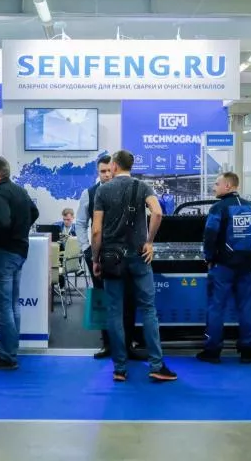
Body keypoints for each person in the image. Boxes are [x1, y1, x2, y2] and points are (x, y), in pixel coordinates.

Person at [92, 150, 177, 382]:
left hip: (112, 259)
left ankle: (120, 368)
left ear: (115, 166)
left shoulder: (103, 190)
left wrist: (95, 259)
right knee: (148, 309)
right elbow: (157, 212)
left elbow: (97, 230)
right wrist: (149, 242)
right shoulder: (142, 187)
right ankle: (157, 365)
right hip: (139, 256)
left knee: (114, 311)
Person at [75, 154, 142, 360]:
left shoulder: (126, 191)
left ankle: (128, 344)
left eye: (108, 170)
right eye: (102, 171)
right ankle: (107, 344)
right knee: (103, 299)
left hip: (126, 255)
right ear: (98, 172)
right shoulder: (90, 193)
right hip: (98, 256)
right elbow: (81, 223)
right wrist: (87, 249)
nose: (106, 175)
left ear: (114, 169)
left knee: (128, 299)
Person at [197, 172, 251, 364]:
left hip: (222, 266)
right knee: (246, 306)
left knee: (216, 307)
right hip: (246, 265)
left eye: (216, 183)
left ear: (228, 186)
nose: (214, 187)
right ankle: (247, 350)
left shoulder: (218, 208)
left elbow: (210, 236)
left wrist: (209, 258)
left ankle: (212, 351)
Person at [0, 156, 39, 370]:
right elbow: (34, 212)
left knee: (4, 306)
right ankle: (11, 351)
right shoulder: (20, 190)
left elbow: (3, 222)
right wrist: (20, 230)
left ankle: (7, 356)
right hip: (20, 251)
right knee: (13, 304)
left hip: (5, 253)